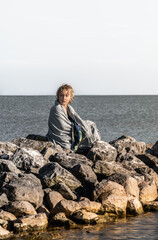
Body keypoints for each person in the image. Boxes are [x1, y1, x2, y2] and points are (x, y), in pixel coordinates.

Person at [46, 84, 101, 151]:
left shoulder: (69, 108)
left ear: (70, 97)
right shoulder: (56, 108)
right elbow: (63, 127)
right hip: (61, 137)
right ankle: (95, 147)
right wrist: (77, 128)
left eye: (66, 96)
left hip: (71, 133)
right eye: (61, 95)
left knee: (90, 125)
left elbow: (78, 121)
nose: (64, 98)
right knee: (83, 128)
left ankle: (97, 146)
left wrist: (81, 126)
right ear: (58, 96)